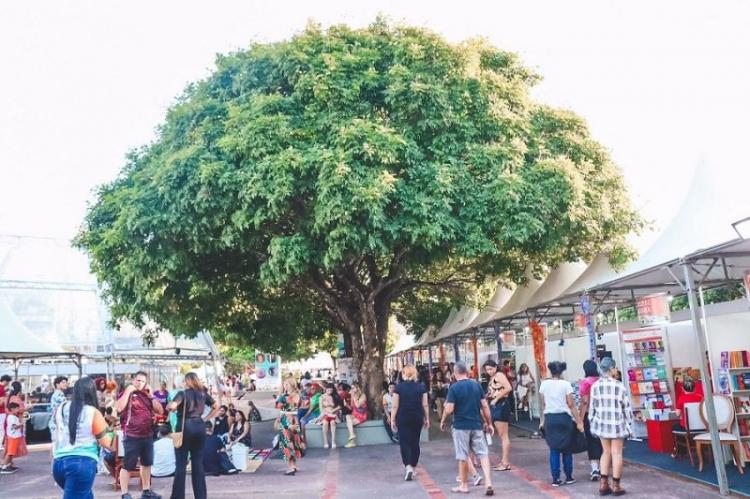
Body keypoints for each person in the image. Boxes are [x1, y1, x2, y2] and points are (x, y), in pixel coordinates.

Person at [49, 377, 115, 497]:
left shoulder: (61, 408)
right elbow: (106, 442)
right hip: (82, 464)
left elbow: (58, 433)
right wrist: (111, 427)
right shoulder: (92, 412)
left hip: (58, 463)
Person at [440, 361, 495, 496]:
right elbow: (485, 406)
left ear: (455, 373)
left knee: (463, 456)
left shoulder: (453, 388)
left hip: (460, 426)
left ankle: (464, 485)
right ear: (466, 371)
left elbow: (450, 408)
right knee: (483, 454)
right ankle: (488, 482)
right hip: (476, 424)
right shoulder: (476, 385)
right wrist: (489, 423)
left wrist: (444, 415)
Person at [167, 372, 219, 499]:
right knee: (197, 462)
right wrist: (206, 418)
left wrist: (171, 407)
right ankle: (201, 496)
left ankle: (178, 496)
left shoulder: (182, 394)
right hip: (199, 426)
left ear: (188, 381)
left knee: (181, 463)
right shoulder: (203, 394)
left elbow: (172, 406)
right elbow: (216, 406)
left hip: (185, 427)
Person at [114, 370, 165, 499]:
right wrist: (128, 391)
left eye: (142, 381)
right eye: (137, 380)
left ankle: (146, 490)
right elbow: (119, 408)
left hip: (147, 434)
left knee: (146, 463)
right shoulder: (127, 394)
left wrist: (151, 395)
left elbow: (160, 410)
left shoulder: (147, 395)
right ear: (133, 381)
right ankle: (125, 493)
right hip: (132, 435)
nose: (139, 383)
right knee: (128, 465)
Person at [590, 357, 632, 496]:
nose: (616, 369)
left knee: (605, 452)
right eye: (615, 367)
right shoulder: (619, 386)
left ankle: (603, 485)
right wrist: (629, 423)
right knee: (617, 453)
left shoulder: (595, 386)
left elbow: (592, 409)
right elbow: (626, 408)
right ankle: (616, 486)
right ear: (612, 368)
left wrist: (592, 423)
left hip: (602, 425)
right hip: (617, 425)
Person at [539, 361, 584, 487]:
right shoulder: (566, 384)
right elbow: (571, 404)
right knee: (567, 449)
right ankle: (569, 476)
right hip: (564, 418)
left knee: (554, 450)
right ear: (561, 372)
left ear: (551, 371)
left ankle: (555, 479)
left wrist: (542, 421)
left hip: (550, 419)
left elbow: (543, 404)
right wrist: (579, 421)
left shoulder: (544, 384)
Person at [390, 364, 429, 481]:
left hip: (403, 416)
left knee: (404, 441)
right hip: (417, 416)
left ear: (404, 374)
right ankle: (413, 465)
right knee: (415, 441)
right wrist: (427, 418)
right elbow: (425, 404)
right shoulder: (421, 387)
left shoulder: (399, 387)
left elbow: (395, 405)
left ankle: (408, 466)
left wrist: (392, 419)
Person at [483, 360, 513, 471]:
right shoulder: (493, 377)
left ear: (496, 367)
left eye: (490, 369)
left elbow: (508, 388)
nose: (489, 371)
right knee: (501, 435)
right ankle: (504, 462)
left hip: (501, 405)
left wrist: (496, 399)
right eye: (487, 369)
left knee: (503, 435)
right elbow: (495, 389)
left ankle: (505, 462)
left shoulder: (499, 375)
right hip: (495, 404)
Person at [578, 360, 603, 481]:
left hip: (590, 416)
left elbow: (584, 402)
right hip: (603, 415)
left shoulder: (585, 382)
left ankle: (595, 469)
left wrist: (580, 418)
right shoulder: (602, 381)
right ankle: (605, 468)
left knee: (592, 442)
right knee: (604, 441)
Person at [274, 381, 303, 475]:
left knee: (287, 443)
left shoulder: (287, 396)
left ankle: (291, 467)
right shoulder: (296, 395)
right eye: (284, 384)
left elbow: (279, 407)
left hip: (287, 419)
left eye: (287, 384)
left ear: (292, 385)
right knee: (293, 443)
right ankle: (293, 465)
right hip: (293, 419)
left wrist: (280, 399)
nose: (284, 386)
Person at [0, 402, 26, 474]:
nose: (18, 410)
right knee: (10, 453)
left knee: (12, 452)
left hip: (14, 437)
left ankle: (8, 465)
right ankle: (4, 466)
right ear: (12, 409)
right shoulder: (11, 417)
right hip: (13, 437)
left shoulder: (13, 417)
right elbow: (14, 427)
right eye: (17, 408)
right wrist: (21, 424)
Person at [316, 383, 342, 450]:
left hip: (333, 414)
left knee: (333, 422)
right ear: (326, 389)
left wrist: (333, 411)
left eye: (331, 388)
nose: (330, 389)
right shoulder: (321, 397)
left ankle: (333, 441)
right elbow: (321, 409)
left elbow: (339, 406)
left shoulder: (335, 396)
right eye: (328, 388)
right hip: (324, 414)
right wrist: (327, 413)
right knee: (325, 423)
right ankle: (325, 441)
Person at [344, 382, 367, 448]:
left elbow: (357, 405)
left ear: (357, 388)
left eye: (353, 388)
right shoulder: (352, 396)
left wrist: (353, 396)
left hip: (361, 415)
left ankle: (352, 441)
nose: (351, 389)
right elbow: (352, 407)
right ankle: (352, 435)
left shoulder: (363, 395)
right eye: (351, 388)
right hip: (354, 414)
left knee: (349, 424)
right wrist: (346, 405)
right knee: (348, 416)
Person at [0, 374, 11, 451]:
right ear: (5, 381)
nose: (8, 384)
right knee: (1, 429)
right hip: (1, 412)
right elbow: (1, 402)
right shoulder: (2, 389)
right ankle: (0, 444)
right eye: (8, 382)